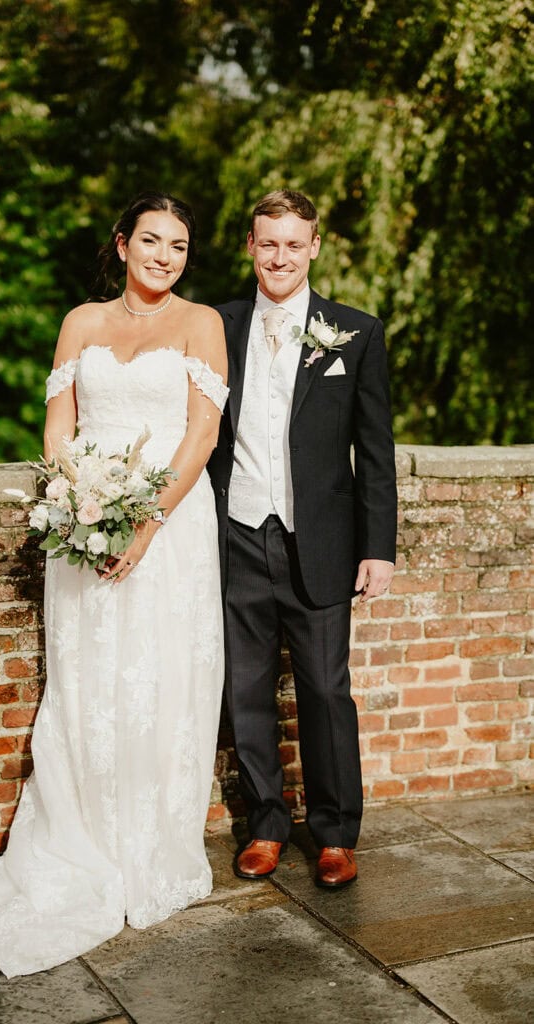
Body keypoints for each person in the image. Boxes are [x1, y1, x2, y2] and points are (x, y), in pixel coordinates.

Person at [0, 191, 228, 977]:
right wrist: (83, 497)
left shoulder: (201, 323)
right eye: (152, 240)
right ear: (122, 243)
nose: (165, 256)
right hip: (85, 523)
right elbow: (57, 426)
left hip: (170, 523)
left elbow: (202, 431)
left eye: (179, 246)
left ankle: (152, 848)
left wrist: (146, 519)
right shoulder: (80, 322)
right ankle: (81, 840)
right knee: (87, 683)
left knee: (160, 679)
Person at [207, 189, 396, 889]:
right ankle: (264, 823)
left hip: (318, 542)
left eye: (293, 243)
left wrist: (378, 547)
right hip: (234, 538)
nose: (279, 256)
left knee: (324, 690)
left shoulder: (355, 332)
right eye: (267, 243)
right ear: (249, 248)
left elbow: (374, 453)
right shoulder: (216, 326)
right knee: (245, 690)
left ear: (314, 246)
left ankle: (334, 832)